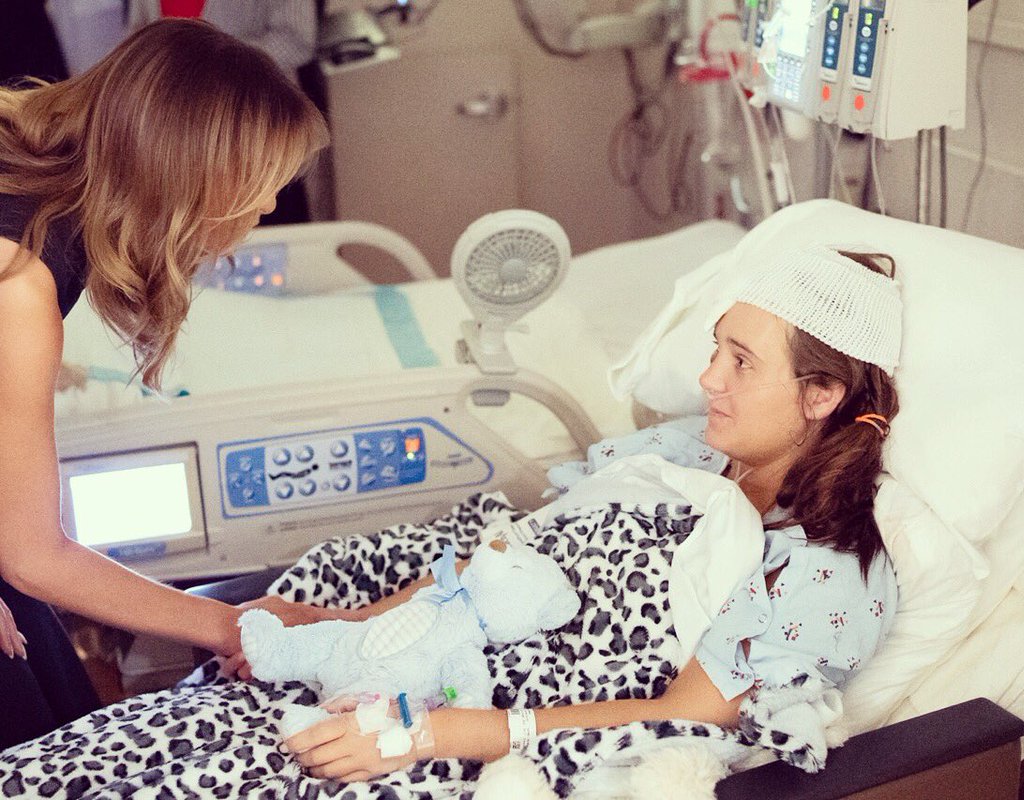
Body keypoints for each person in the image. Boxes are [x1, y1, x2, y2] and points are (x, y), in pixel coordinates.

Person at [283, 246, 904, 780]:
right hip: (430, 668)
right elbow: (513, 560)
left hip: (499, 745)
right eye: (716, 349)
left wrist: (432, 734)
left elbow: (680, 716)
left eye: (741, 362)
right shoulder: (680, 452)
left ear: (822, 393)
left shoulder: (821, 568)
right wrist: (339, 626)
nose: (708, 378)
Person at [0, 18, 335, 750]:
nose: (267, 209)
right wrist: (235, 624)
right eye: (260, 187)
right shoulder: (19, 281)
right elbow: (31, 555)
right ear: (191, 176)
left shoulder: (31, 158)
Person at [126, 0, 320, 226]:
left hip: (254, 125)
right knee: (192, 225)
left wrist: (212, 69)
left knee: (271, 223)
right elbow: (138, 34)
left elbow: (296, 40)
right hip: (181, 133)